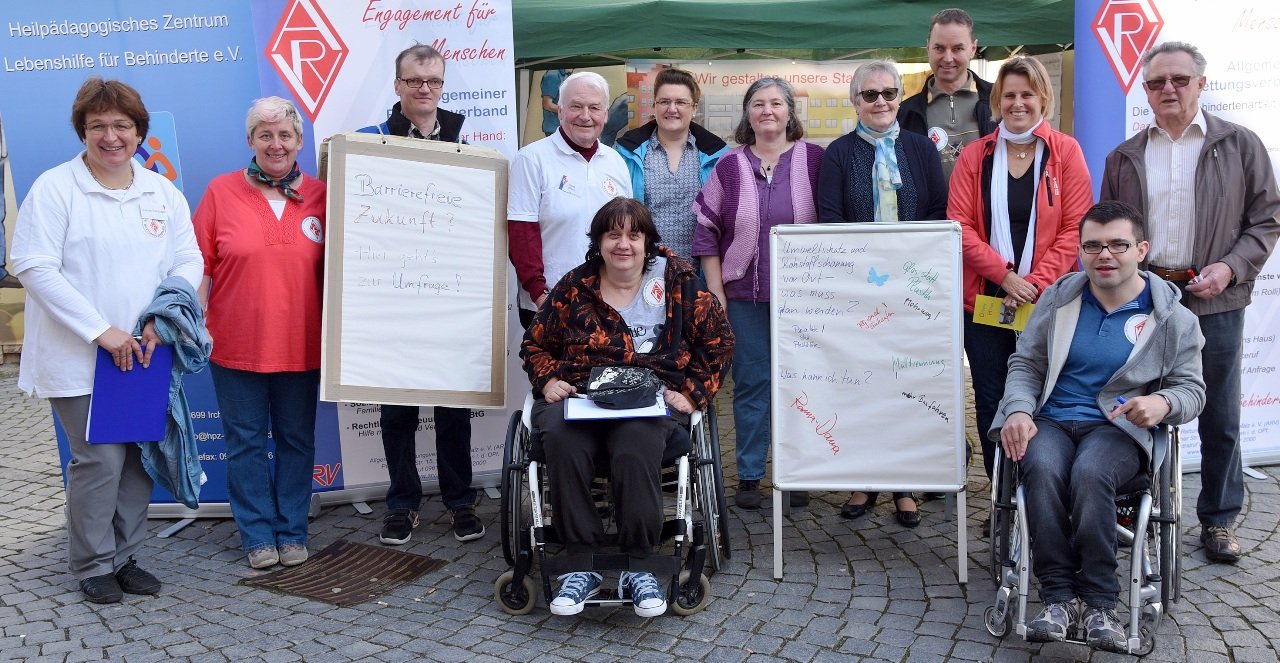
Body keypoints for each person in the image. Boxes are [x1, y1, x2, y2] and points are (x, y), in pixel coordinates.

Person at [10, 77, 202, 602]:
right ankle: (93, 563)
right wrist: (102, 331)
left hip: (143, 352)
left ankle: (125, 556)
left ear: (140, 132)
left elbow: (188, 260)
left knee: (138, 458)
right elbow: (31, 264)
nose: (111, 136)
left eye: (122, 125)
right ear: (83, 132)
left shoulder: (160, 191)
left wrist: (161, 320)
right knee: (100, 460)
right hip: (79, 354)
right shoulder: (56, 187)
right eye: (98, 126)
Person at [992, 201, 1206, 651]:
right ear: (1080, 250)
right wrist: (1017, 410)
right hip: (1051, 419)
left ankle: (1101, 602)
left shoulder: (1171, 318)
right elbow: (1026, 364)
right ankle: (1059, 598)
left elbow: (1193, 389)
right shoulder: (1060, 298)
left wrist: (1162, 401)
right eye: (1093, 245)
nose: (1104, 255)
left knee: (1091, 473)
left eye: (1117, 245)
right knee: (1042, 468)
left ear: (1141, 249)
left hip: (1119, 429)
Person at [1100, 41, 1280, 564]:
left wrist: (1230, 267)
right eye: (1157, 83)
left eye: (1179, 80)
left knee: (1218, 412)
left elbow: (1266, 220)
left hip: (1217, 299)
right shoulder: (1125, 155)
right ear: (1146, 92)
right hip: (1146, 299)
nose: (1168, 90)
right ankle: (1140, 512)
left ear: (1201, 83)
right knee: (1139, 408)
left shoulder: (1240, 144)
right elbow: (1112, 228)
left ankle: (1219, 521)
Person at [521, 198, 733, 617]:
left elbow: (719, 342)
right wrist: (547, 379)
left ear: (647, 242)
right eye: (613, 234)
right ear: (598, 242)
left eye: (633, 235)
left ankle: (641, 565)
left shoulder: (679, 283)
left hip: (651, 395)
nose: (623, 244)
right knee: (562, 439)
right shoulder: (573, 287)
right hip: (581, 395)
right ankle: (581, 564)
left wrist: (692, 394)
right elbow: (535, 343)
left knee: (635, 441)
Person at [356, 44, 484, 545]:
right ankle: (402, 503)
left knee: (453, 409)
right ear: (398, 86)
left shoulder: (464, 145)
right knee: (397, 411)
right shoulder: (372, 144)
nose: (424, 89)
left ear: (442, 85)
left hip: (448, 298)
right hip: (394, 301)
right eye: (414, 81)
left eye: (432, 81)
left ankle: (459, 501)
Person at [194, 97, 326, 569]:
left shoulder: (323, 195)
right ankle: (256, 535)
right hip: (234, 345)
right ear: (249, 141)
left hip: (303, 347)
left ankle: (292, 531)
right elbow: (198, 266)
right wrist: (193, 322)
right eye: (265, 135)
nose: (276, 144)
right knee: (245, 443)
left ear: (299, 142)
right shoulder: (220, 192)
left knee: (296, 441)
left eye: (285, 135)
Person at [948, 56, 1094, 481]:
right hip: (986, 302)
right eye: (1009, 95)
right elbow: (960, 226)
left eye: (1027, 94)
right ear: (996, 101)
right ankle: (1003, 500)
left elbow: (1076, 227)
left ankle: (1043, 489)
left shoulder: (1066, 152)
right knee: (992, 396)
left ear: (1042, 97)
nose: (1017, 103)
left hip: (1050, 301)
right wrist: (1006, 277)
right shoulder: (976, 155)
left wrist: (1032, 283)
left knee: (1048, 394)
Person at [817, 59, 946, 526]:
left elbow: (936, 213)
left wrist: (906, 267)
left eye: (888, 93)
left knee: (905, 384)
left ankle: (903, 483)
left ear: (898, 97)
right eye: (869, 95)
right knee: (861, 384)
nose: (880, 102)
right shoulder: (837, 153)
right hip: (860, 290)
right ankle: (862, 479)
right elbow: (829, 220)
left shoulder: (920, 149)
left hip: (911, 289)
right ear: (855, 102)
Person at [693, 76, 824, 510]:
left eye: (776, 103)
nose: (767, 111)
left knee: (801, 384)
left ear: (790, 111)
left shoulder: (816, 161)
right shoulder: (729, 167)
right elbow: (706, 232)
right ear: (747, 114)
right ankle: (749, 475)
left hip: (803, 299)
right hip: (744, 298)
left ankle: (797, 473)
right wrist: (715, 290)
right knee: (752, 383)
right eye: (758, 104)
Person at [509, 71, 632, 328]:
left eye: (594, 108)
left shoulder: (616, 162)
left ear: (606, 114)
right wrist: (540, 294)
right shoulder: (531, 159)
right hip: (551, 304)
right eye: (576, 106)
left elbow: (627, 233)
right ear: (560, 110)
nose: (585, 116)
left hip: (607, 303)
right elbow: (521, 233)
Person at [615, 68, 727, 261]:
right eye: (664, 101)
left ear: (694, 108)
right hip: (642, 269)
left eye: (681, 102)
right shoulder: (626, 153)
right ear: (654, 106)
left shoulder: (718, 157)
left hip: (698, 274)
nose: (672, 109)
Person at [897, 8, 997, 179]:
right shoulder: (906, 112)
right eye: (939, 48)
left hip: (985, 206)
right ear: (928, 47)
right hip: (932, 207)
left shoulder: (998, 100)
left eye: (958, 48)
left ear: (973, 49)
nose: (948, 58)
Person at [540, 68, 572, 137]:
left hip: (564, 127)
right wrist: (568, 111)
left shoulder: (566, 75)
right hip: (554, 129)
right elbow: (547, 104)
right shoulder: (552, 75)